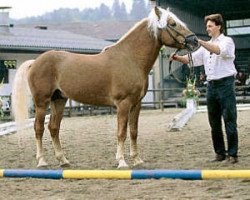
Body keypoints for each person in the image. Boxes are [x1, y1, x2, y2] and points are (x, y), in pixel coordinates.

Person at [170, 13, 238, 163]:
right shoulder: (205, 46)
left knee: (229, 120)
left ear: (219, 26)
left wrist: (200, 42)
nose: (207, 29)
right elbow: (191, 59)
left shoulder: (227, 41)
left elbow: (218, 50)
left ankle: (232, 154)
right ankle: (220, 153)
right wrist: (177, 58)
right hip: (212, 86)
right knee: (214, 122)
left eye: (210, 26)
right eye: (206, 26)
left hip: (226, 85)